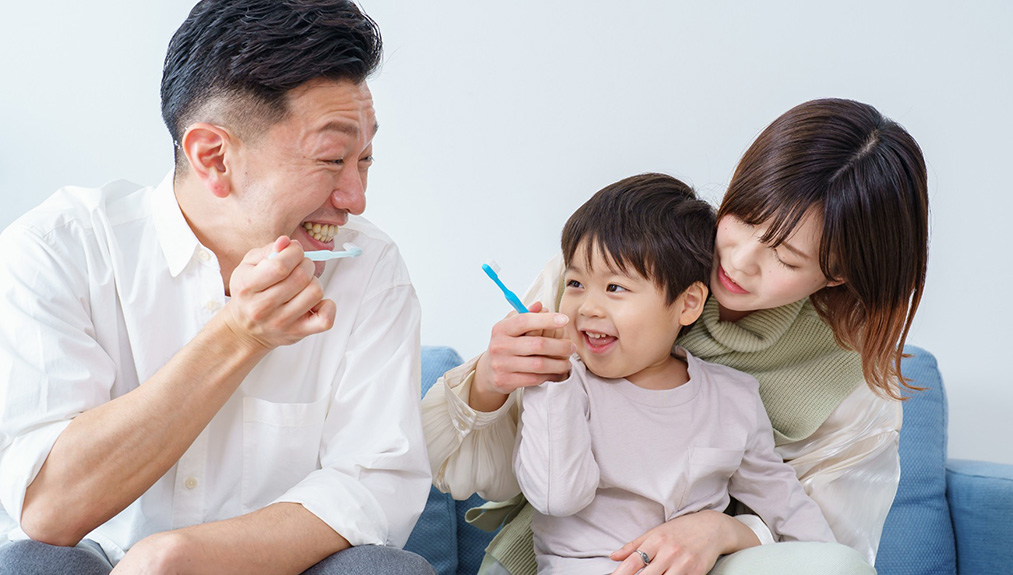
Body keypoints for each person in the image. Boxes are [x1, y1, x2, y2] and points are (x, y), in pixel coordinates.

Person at [0, 1, 434, 574]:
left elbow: (375, 483)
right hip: (96, 560)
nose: (355, 198)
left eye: (366, 159)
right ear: (213, 156)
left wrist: (177, 556)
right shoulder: (60, 248)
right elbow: (50, 509)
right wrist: (238, 335)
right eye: (332, 159)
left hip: (276, 565)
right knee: (34, 564)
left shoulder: (370, 267)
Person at [421, 98, 928, 575]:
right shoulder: (599, 276)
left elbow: (827, 553)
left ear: (836, 275)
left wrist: (723, 529)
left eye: (787, 257)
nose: (739, 261)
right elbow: (510, 476)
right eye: (745, 218)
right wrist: (490, 381)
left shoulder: (844, 382)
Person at [514, 174, 835, 575]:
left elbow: (787, 509)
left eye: (615, 288)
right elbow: (555, 496)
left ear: (689, 304)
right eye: (576, 283)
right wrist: (551, 381)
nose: (588, 308)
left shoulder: (733, 397)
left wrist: (833, 561)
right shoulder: (565, 388)